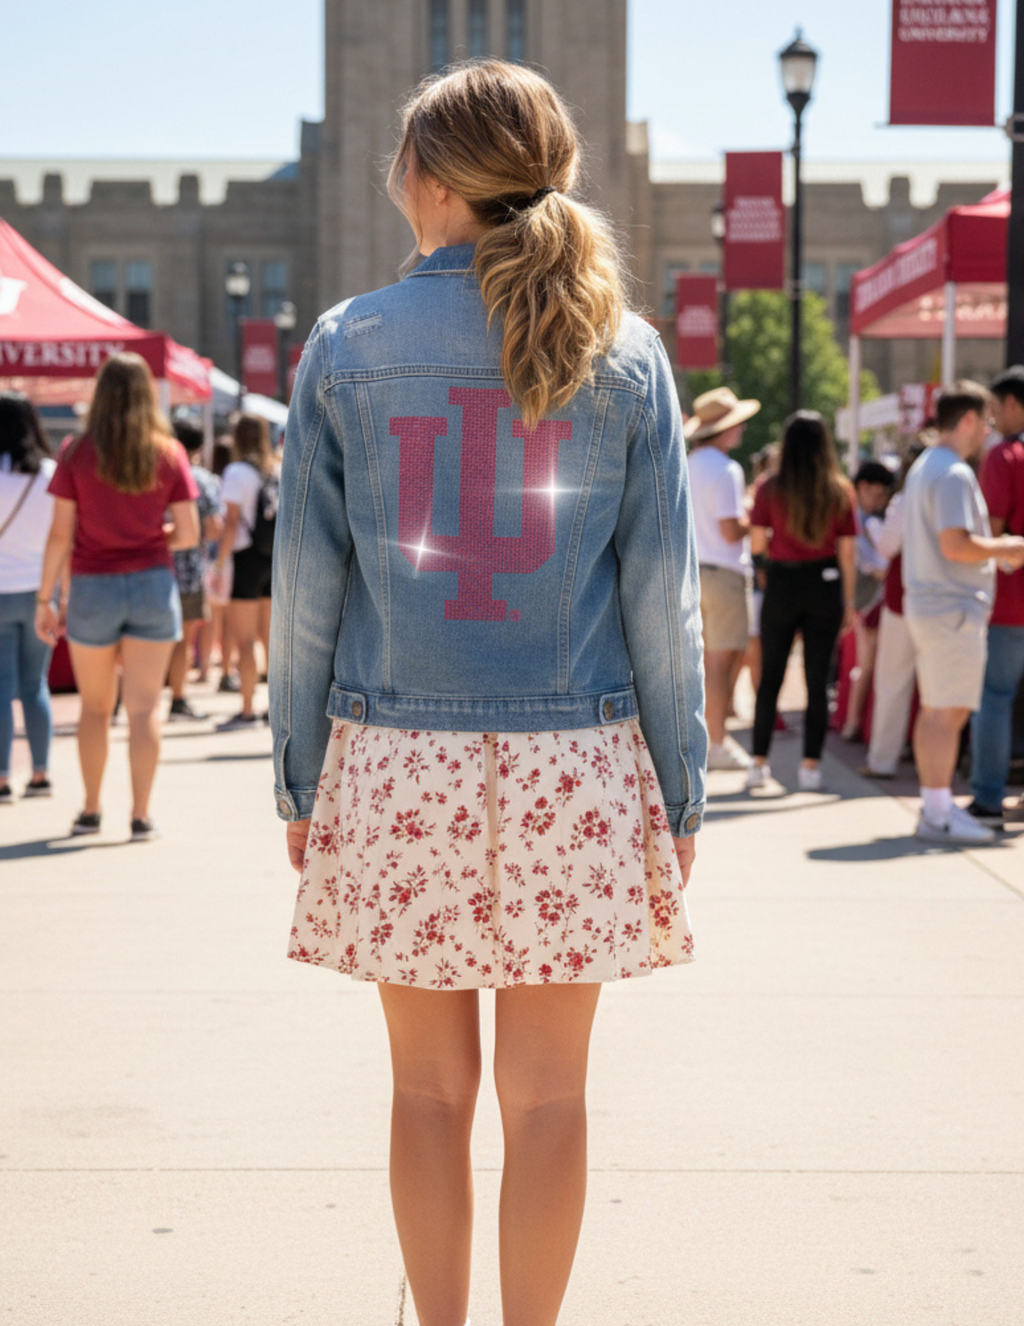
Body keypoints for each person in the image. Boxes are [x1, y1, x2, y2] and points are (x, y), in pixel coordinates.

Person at [270, 59, 706, 1326]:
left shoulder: (349, 343)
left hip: (399, 757)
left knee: (423, 1095)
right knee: (552, 1097)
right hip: (577, 761)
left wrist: (301, 775)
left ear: (439, 178)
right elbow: (659, 601)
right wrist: (677, 793)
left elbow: (305, 591)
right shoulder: (621, 350)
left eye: (401, 159)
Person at [35, 353, 199, 841]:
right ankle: (141, 814)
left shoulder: (75, 452)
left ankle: (90, 810)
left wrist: (46, 597)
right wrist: (151, 536)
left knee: (94, 707)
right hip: (151, 582)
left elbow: (60, 535)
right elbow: (189, 533)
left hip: (92, 586)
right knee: (146, 709)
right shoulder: (168, 452)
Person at [901, 380, 1024, 845]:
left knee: (938, 710)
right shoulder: (951, 471)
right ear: (968, 419)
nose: (988, 432)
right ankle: (937, 810)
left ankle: (937, 806)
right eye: (986, 421)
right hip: (950, 605)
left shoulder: (929, 466)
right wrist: (1008, 546)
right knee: (946, 713)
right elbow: (957, 544)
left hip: (935, 604)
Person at [746, 411, 857, 793]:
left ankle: (758, 763)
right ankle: (811, 766)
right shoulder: (839, 490)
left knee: (771, 678)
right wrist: (848, 602)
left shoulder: (769, 487)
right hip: (824, 583)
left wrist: (766, 574)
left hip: (782, 581)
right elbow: (847, 554)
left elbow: (757, 544)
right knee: (817, 681)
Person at [684, 386, 760, 770]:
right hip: (724, 572)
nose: (742, 430)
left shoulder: (688, 462)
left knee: (700, 659)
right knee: (721, 662)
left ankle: (704, 738)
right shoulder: (727, 469)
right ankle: (716, 741)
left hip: (692, 570)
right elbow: (731, 530)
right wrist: (754, 521)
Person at [966, 366, 1024, 827]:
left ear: (1012, 404)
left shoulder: (1005, 456)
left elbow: (993, 532)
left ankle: (988, 798)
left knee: (995, 697)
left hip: (1010, 601)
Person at [0, 393, 57, 803]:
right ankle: (40, 773)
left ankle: (2, 777)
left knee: (1, 688)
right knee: (35, 684)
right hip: (40, 592)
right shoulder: (51, 475)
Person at [859, 439, 927, 779]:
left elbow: (887, 546)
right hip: (942, 601)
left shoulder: (904, 499)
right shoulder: (952, 489)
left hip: (904, 600)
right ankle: (934, 765)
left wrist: (871, 522)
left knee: (893, 683)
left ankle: (882, 760)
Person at [211, 414, 278, 730]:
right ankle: (274, 708)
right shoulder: (274, 467)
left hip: (245, 559)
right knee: (269, 639)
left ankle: (248, 709)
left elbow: (232, 522)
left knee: (245, 639)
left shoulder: (236, 472)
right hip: (271, 557)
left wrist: (221, 563)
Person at [167, 419, 223, 721]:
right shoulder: (201, 479)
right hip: (188, 569)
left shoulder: (150, 470)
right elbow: (215, 527)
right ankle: (177, 699)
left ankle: (118, 701)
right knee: (182, 639)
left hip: (151, 565)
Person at [840, 460, 894, 743]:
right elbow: (874, 565)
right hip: (864, 603)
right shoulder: (858, 520)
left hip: (866, 601)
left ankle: (852, 721)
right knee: (867, 663)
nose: (881, 499)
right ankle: (852, 722)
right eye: (878, 492)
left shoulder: (864, 518)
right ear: (863, 488)